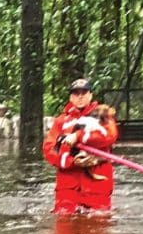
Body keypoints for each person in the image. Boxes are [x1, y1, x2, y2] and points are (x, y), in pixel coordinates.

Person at [42, 78, 120, 214]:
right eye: (76, 93)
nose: (80, 96)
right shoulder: (60, 121)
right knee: (64, 224)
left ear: (90, 95)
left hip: (97, 183)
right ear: (71, 97)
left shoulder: (103, 116)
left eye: (84, 92)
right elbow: (49, 150)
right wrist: (73, 162)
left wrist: (78, 136)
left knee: (98, 225)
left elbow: (109, 136)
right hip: (68, 186)